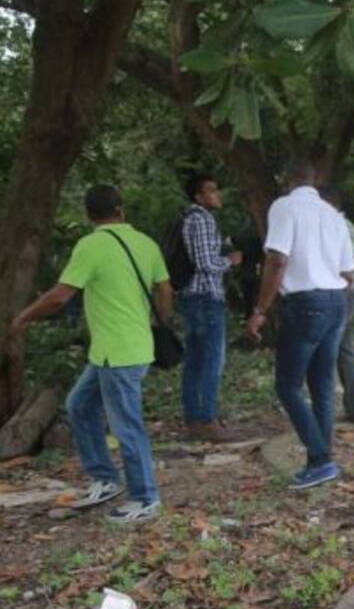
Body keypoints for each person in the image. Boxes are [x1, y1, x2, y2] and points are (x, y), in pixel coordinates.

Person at [9, 184, 171, 522]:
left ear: (88, 215)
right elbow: (164, 287)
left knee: (127, 425)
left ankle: (145, 498)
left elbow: (60, 295)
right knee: (79, 406)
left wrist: (24, 317)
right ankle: (104, 478)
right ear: (121, 209)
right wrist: (158, 323)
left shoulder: (91, 245)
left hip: (120, 353)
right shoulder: (145, 243)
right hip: (118, 350)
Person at [246, 158, 354, 490]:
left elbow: (277, 259)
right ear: (315, 180)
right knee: (321, 384)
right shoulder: (333, 215)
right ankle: (321, 462)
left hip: (306, 303)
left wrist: (260, 309)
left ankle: (320, 458)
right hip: (336, 301)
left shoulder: (284, 207)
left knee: (288, 385)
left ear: (285, 180)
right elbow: (349, 272)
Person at [178, 173, 242, 441]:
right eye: (211, 190)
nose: (218, 195)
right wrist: (231, 261)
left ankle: (194, 418)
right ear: (198, 196)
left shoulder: (190, 219)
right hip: (206, 297)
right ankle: (207, 419)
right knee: (212, 360)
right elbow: (205, 263)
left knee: (194, 360)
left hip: (193, 297)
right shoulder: (202, 219)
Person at [319, 187, 354, 424]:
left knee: (328, 347)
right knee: (344, 350)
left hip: (340, 292)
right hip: (351, 291)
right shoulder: (350, 225)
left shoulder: (332, 226)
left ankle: (324, 409)